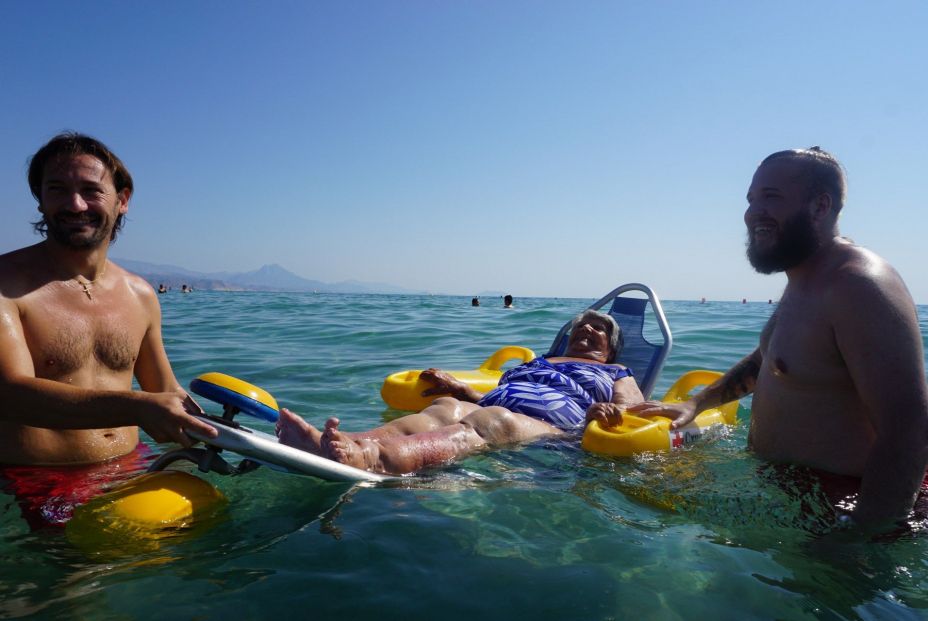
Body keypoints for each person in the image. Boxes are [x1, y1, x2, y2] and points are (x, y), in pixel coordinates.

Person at [628, 147, 928, 532]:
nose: (754, 212)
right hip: (791, 492)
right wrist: (697, 401)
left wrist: (860, 537)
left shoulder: (857, 284)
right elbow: (770, 359)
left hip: (846, 505)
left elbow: (909, 427)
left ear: (820, 206)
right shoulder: (807, 278)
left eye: (772, 197)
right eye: (752, 199)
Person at [0, 133, 217, 524]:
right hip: (40, 481)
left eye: (90, 190)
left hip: (133, 465)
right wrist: (137, 406)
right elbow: (8, 393)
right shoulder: (6, 285)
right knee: (74, 582)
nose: (75, 204)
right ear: (40, 198)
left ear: (122, 199)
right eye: (57, 189)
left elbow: (164, 391)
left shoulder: (141, 294)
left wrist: (218, 430)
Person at [276, 310, 643, 474]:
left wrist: (608, 415)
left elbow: (634, 410)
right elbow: (500, 393)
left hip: (557, 432)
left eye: (598, 328)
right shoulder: (540, 362)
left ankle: (375, 460)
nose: (588, 329)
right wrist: (459, 388)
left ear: (610, 347)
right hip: (499, 410)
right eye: (582, 325)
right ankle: (348, 442)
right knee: (446, 408)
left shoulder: (614, 371)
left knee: (491, 419)